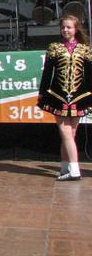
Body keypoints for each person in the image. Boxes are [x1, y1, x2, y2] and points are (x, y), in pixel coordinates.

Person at [37, 14, 92, 181]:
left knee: (70, 135)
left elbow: (89, 75)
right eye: (63, 27)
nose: (65, 30)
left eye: (69, 27)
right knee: (65, 133)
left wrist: (90, 97)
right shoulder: (54, 47)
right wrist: (42, 92)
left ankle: (73, 170)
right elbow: (47, 73)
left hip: (79, 95)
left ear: (76, 29)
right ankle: (65, 168)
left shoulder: (85, 49)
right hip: (58, 94)